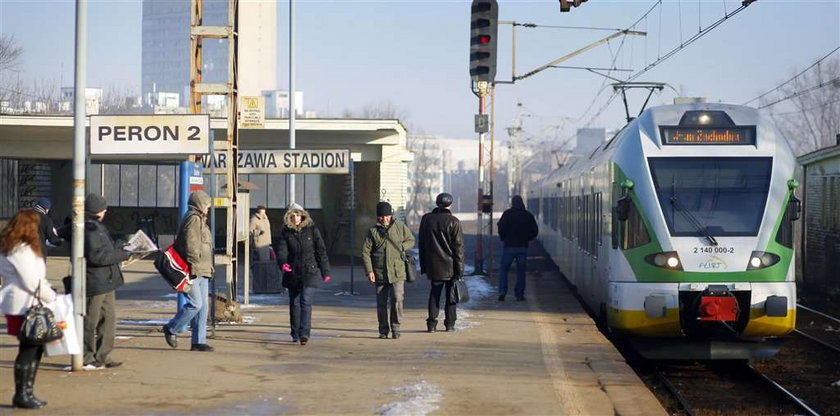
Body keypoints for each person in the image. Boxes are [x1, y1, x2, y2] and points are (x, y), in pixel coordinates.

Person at [0, 210, 56, 409]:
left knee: (33, 348)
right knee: (29, 349)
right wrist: (51, 296)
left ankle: (26, 392)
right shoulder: (20, 250)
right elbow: (32, 281)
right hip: (24, 304)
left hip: (24, 303)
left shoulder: (13, 246)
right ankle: (22, 394)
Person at [83, 193, 131, 369]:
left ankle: (103, 355)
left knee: (109, 319)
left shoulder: (97, 227)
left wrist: (119, 247)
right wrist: (123, 254)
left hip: (107, 280)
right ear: (99, 211)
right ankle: (87, 356)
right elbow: (97, 256)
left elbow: (103, 250)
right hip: (96, 282)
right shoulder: (90, 228)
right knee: (91, 320)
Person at [163, 191, 215, 352]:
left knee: (203, 307)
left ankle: (198, 341)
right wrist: (194, 265)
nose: (208, 208)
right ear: (199, 205)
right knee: (195, 304)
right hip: (193, 270)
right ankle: (171, 328)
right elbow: (191, 244)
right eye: (206, 205)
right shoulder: (193, 219)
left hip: (204, 270)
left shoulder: (201, 220)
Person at [276, 203, 331, 345]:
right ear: (289, 217)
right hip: (293, 272)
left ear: (303, 215)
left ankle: (304, 333)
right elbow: (281, 250)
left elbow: (321, 250)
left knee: (305, 301)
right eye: (293, 216)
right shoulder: (286, 232)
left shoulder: (312, 230)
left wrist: (325, 270)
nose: (296, 218)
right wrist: (283, 263)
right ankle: (295, 332)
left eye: (298, 215)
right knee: (294, 303)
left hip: (310, 271)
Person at [362, 201, 415, 339]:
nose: (385, 219)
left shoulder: (399, 226)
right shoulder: (373, 231)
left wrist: (402, 247)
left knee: (397, 299)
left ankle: (396, 327)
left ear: (391, 215)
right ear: (378, 217)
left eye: (387, 216)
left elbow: (411, 240)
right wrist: (369, 271)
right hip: (379, 272)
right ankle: (383, 330)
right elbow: (365, 252)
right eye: (381, 216)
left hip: (397, 272)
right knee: (381, 303)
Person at [418, 192, 464, 333]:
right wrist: (460, 270)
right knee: (451, 296)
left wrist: (424, 265)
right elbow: (458, 248)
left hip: (434, 265)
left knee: (434, 294)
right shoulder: (454, 221)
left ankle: (431, 324)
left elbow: (422, 244)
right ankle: (449, 324)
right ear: (450, 204)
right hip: (451, 267)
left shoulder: (427, 220)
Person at [497, 195, 539, 301]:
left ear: (512, 203)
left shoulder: (507, 214)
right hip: (522, 247)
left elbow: (501, 227)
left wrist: (504, 238)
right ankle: (519, 295)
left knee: (504, 270)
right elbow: (535, 231)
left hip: (509, 247)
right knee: (521, 272)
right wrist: (527, 239)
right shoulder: (527, 215)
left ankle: (502, 291)